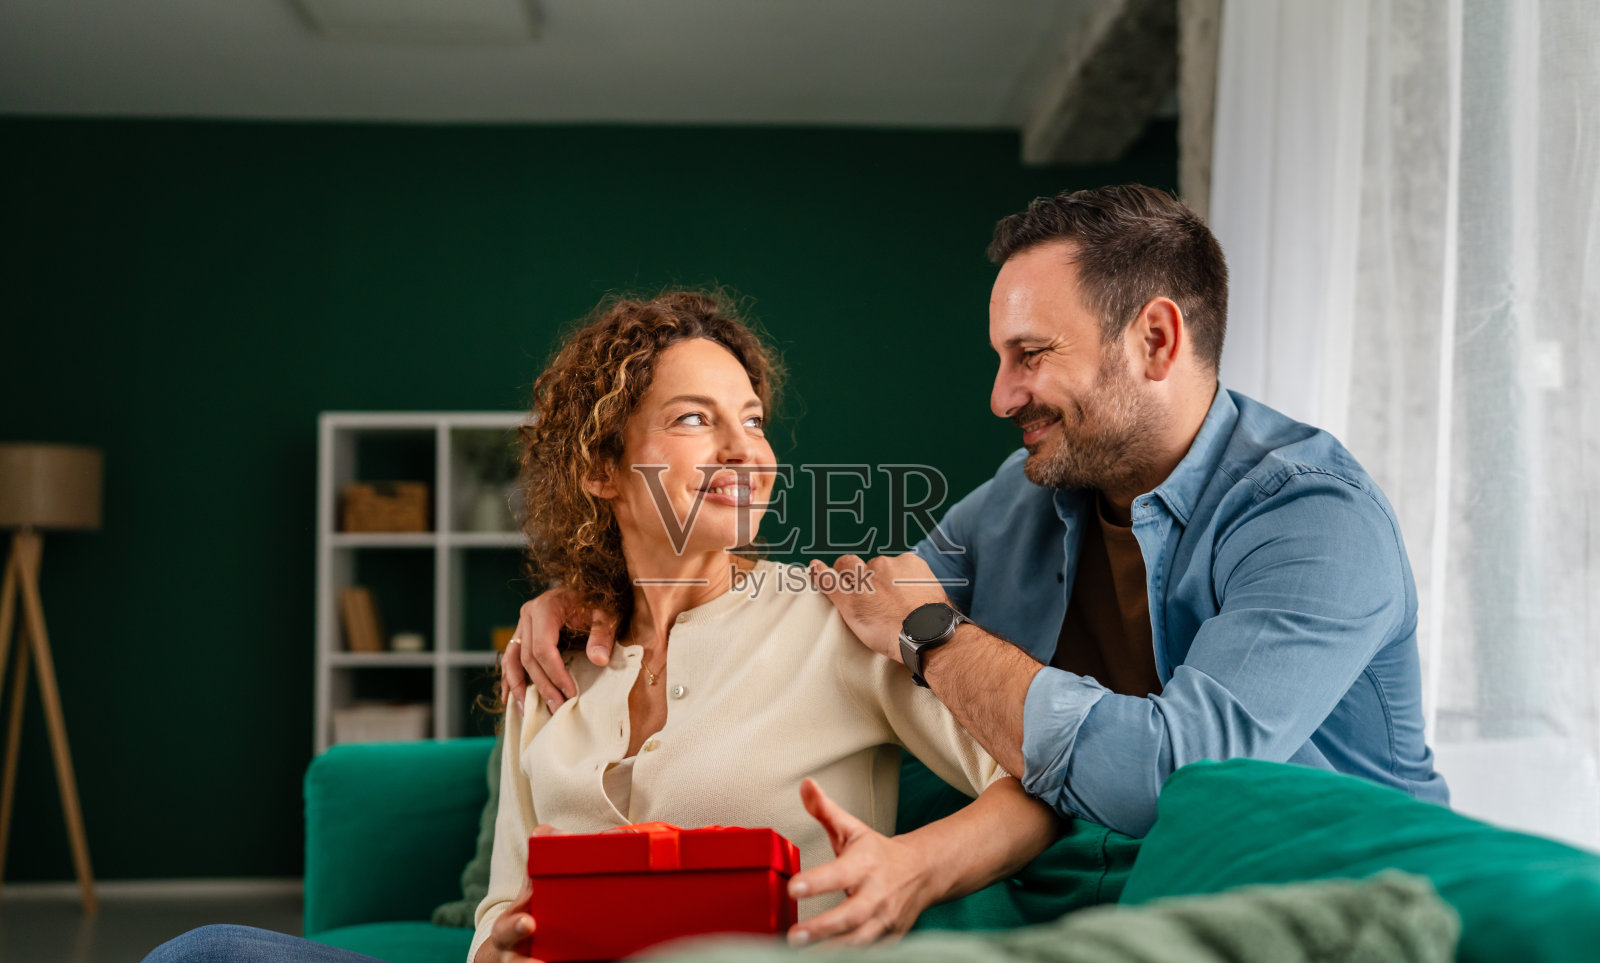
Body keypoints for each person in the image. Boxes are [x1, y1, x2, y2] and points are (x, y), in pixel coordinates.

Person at [99, 291, 1059, 963]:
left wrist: (909, 869)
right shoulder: (554, 660)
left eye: (754, 422)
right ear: (604, 468)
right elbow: (497, 937)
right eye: (696, 419)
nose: (746, 451)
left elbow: (1039, 786)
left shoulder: (837, 619)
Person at [503, 185, 1450, 840]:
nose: (1002, 396)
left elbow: (1173, 777)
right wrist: (605, 592)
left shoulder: (1312, 519)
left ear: (1155, 339)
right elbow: (862, 596)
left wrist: (934, 638)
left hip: (1341, 882)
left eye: (1030, 354)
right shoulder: (1040, 486)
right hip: (1158, 893)